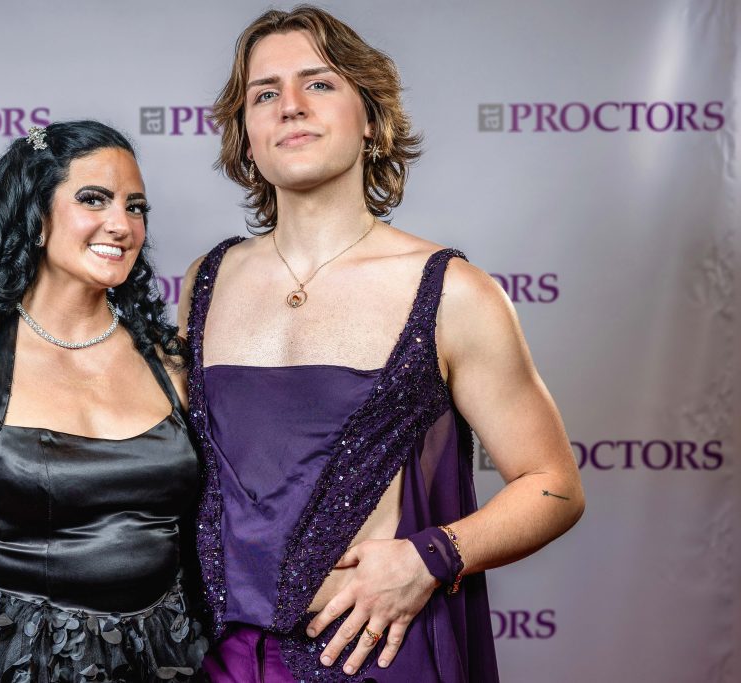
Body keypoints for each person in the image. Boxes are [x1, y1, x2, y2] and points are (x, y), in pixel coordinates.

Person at [178, 7, 585, 682]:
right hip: (217, 658)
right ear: (245, 134)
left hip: (371, 657)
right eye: (265, 93)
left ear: (370, 117)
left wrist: (430, 557)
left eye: (319, 83)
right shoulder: (206, 280)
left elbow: (555, 487)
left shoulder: (453, 291)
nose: (291, 105)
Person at [0, 121, 208, 683]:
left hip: (164, 660)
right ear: (36, 217)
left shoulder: (172, 363)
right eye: (93, 199)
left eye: (136, 207)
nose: (121, 224)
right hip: (3, 661)